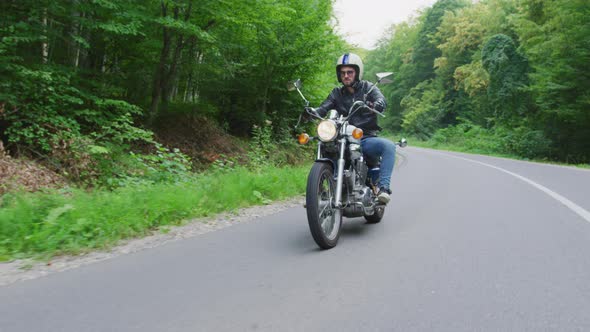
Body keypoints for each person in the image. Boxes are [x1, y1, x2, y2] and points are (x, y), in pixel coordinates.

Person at [314, 53, 396, 204]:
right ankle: (318, 191)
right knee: (322, 144)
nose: (346, 76)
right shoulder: (336, 93)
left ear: (357, 73)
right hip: (342, 138)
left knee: (389, 146)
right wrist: (312, 112)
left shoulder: (368, 88)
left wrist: (376, 104)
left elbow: (381, 100)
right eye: (343, 73)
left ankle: (384, 188)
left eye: (349, 72)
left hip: (364, 137)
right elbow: (323, 108)